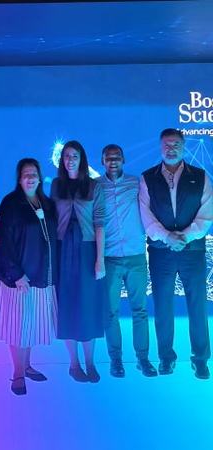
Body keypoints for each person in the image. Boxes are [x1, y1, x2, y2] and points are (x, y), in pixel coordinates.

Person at [139, 128, 213, 379]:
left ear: (183, 146)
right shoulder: (147, 177)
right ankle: (166, 358)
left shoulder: (201, 176)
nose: (171, 149)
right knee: (162, 306)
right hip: (162, 252)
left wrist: (186, 236)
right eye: (166, 144)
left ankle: (201, 359)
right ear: (161, 146)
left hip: (192, 250)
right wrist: (167, 236)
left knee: (197, 306)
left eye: (175, 145)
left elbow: (206, 214)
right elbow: (145, 215)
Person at [0, 158, 57, 396]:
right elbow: (5, 242)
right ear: (19, 179)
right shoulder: (11, 203)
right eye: (25, 174)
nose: (30, 178)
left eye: (34, 174)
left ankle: (27, 365)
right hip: (17, 278)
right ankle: (17, 372)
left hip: (40, 276)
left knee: (29, 324)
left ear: (40, 177)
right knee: (17, 326)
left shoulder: (47, 203)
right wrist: (17, 274)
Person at [97, 144, 157, 378]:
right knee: (111, 313)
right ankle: (116, 360)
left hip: (135, 255)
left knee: (140, 311)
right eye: (109, 158)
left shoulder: (136, 182)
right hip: (109, 258)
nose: (113, 161)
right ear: (102, 161)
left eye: (117, 157)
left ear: (123, 160)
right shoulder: (96, 186)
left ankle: (143, 359)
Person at [50, 140, 106, 383]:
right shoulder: (56, 185)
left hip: (87, 250)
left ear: (82, 158)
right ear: (62, 160)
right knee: (66, 307)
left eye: (75, 155)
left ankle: (91, 363)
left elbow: (100, 223)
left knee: (87, 306)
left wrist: (100, 260)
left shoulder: (94, 186)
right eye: (66, 156)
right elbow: (51, 221)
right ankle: (73, 364)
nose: (70, 159)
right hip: (62, 249)